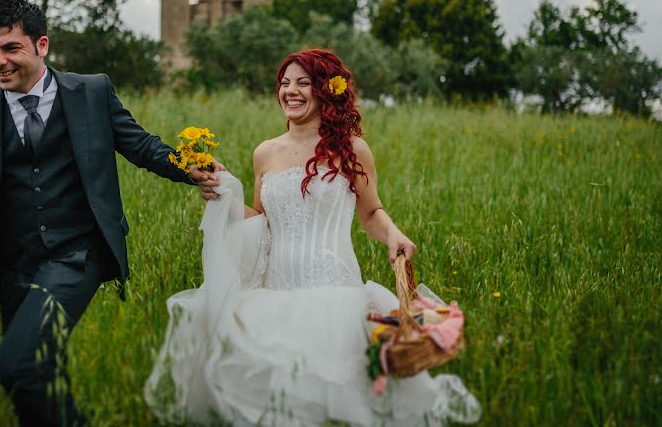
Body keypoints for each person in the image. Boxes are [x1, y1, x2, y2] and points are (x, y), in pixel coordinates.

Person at [0, 0, 222, 426]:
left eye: (10, 48)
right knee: (35, 374)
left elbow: (141, 146)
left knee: (16, 364)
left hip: (77, 254)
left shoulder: (91, 92)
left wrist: (193, 169)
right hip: (13, 264)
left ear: (42, 45)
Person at [146, 49, 481, 425]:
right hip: (274, 296)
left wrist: (392, 233)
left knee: (335, 404)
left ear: (325, 90)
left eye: (303, 83)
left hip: (333, 295)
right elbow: (261, 220)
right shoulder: (265, 153)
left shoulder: (351, 150)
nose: (291, 91)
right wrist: (222, 197)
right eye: (285, 83)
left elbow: (371, 212)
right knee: (283, 407)